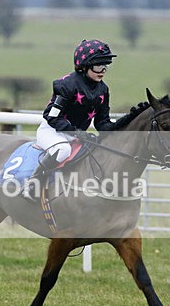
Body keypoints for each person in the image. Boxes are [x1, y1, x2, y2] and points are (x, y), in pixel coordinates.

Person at [22, 38, 144, 201]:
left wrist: (125, 122)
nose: (102, 71)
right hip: (52, 131)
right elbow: (51, 116)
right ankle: (32, 184)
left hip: (75, 134)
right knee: (63, 150)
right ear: (84, 65)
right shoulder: (66, 85)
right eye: (98, 66)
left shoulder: (103, 89)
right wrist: (77, 133)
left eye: (105, 66)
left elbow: (102, 124)